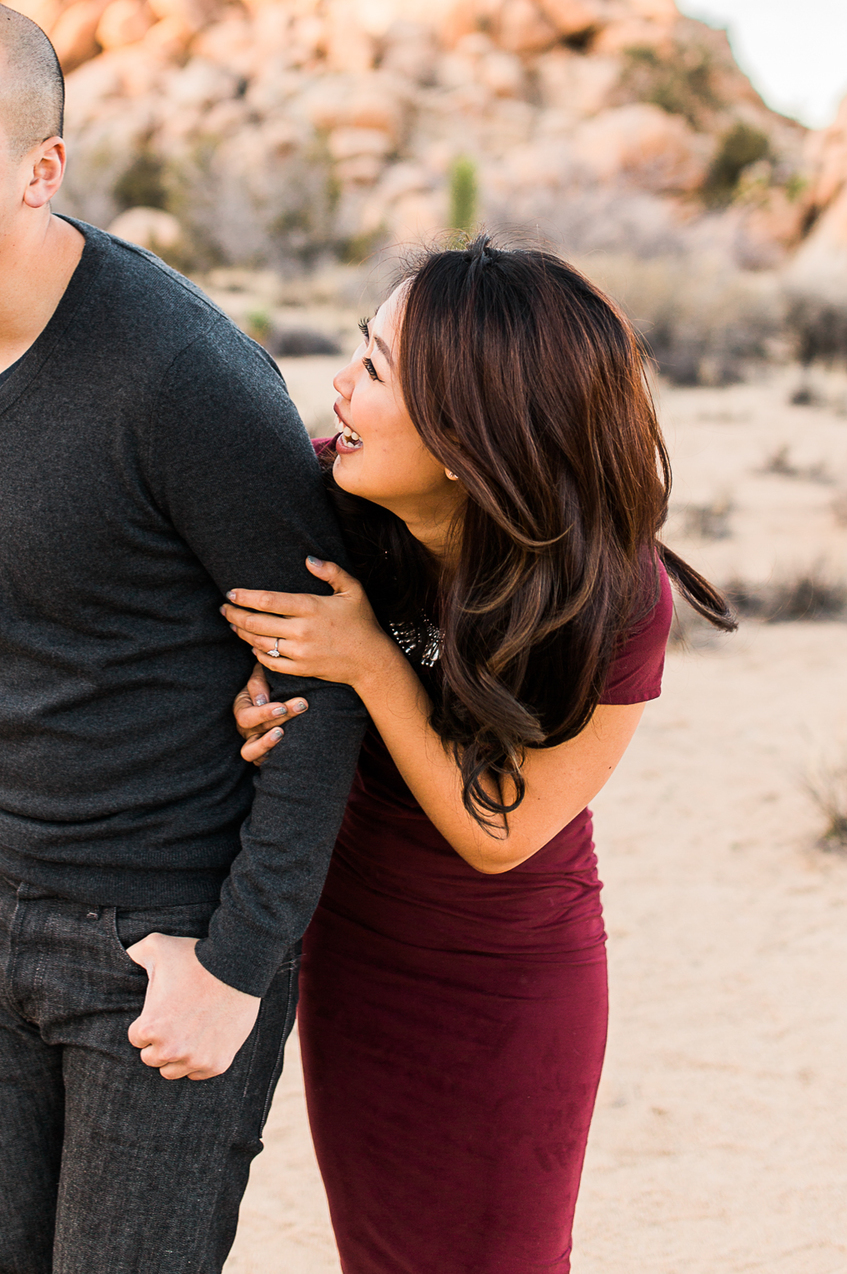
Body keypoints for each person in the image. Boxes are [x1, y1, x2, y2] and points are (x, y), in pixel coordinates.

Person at [0, 0, 368, 1272]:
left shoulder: (184, 377)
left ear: (42, 171)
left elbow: (324, 681)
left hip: (165, 935)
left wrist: (237, 967)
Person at [220, 235, 732, 1274]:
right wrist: (247, 708)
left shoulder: (614, 595)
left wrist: (368, 663)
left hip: (509, 985)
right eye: (358, 353)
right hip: (353, 953)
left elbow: (500, 832)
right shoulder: (332, 506)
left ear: (466, 435)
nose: (337, 390)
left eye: (372, 371)